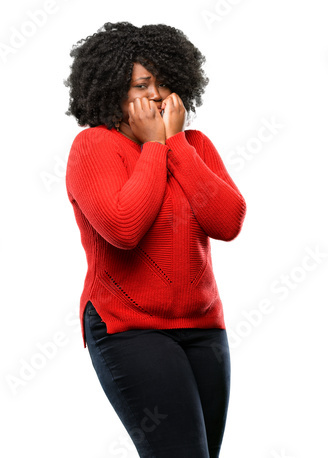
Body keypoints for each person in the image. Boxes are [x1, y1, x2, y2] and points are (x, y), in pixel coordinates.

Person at [64, 22, 246, 458]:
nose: (158, 94)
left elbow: (227, 221)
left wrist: (176, 144)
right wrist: (152, 148)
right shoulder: (93, 146)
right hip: (128, 327)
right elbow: (124, 228)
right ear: (111, 92)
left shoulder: (196, 145)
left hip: (204, 328)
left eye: (165, 82)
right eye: (142, 85)